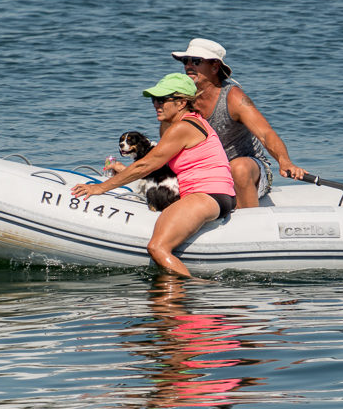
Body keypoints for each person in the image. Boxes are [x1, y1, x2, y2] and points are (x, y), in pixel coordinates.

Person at [72, 73, 234, 278]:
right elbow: (156, 164)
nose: (156, 104)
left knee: (158, 247)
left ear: (182, 102)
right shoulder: (192, 122)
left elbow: (146, 165)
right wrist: (122, 171)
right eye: (153, 99)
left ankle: (196, 292)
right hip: (215, 194)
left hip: (205, 196)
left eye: (162, 99)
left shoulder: (182, 127)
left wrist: (99, 188)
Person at [168, 38, 306, 208]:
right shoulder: (181, 99)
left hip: (248, 170)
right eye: (185, 61)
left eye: (196, 61)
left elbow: (266, 133)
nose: (189, 66)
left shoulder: (234, 98)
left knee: (238, 167)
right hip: (209, 173)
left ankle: (251, 224)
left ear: (215, 67)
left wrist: (285, 161)